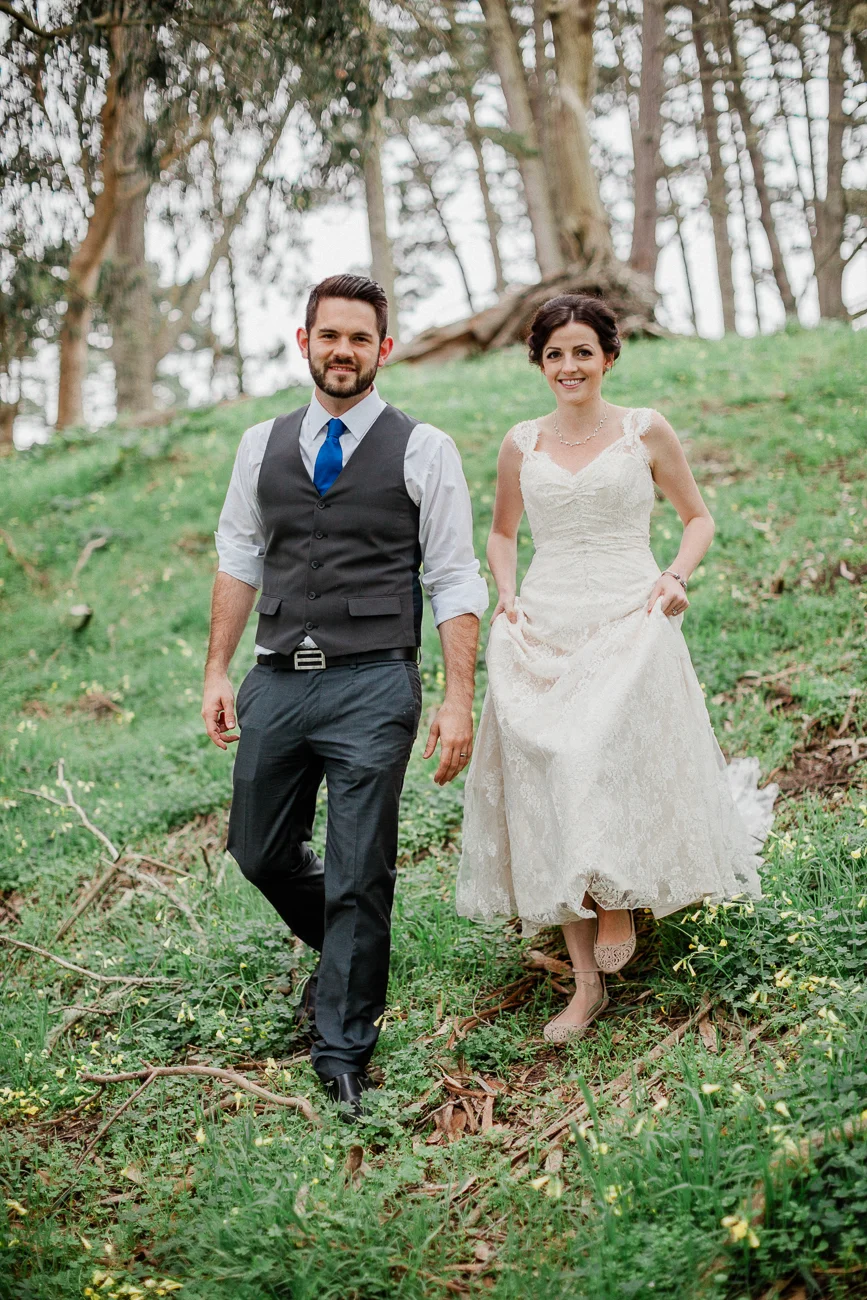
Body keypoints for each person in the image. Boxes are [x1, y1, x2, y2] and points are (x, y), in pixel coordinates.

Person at [202, 274, 488, 1114]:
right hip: (276, 681)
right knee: (256, 850)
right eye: (329, 335)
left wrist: (457, 697)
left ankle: (342, 1050)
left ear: (383, 350)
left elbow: (453, 576)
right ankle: (347, 955)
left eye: (359, 338)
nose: (343, 351)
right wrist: (219, 670)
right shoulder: (261, 443)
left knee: (361, 868)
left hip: (373, 685)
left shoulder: (424, 447)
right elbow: (238, 556)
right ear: (305, 341)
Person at [456, 294, 771, 1043]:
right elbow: (502, 534)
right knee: (547, 771)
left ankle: (619, 894)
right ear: (539, 362)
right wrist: (505, 590)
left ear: (606, 357)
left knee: (595, 753)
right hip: (548, 616)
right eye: (555, 353)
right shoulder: (519, 443)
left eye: (582, 352)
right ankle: (585, 983)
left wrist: (675, 575)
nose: (569, 366)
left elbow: (698, 518)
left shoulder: (642, 430)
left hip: (631, 612)